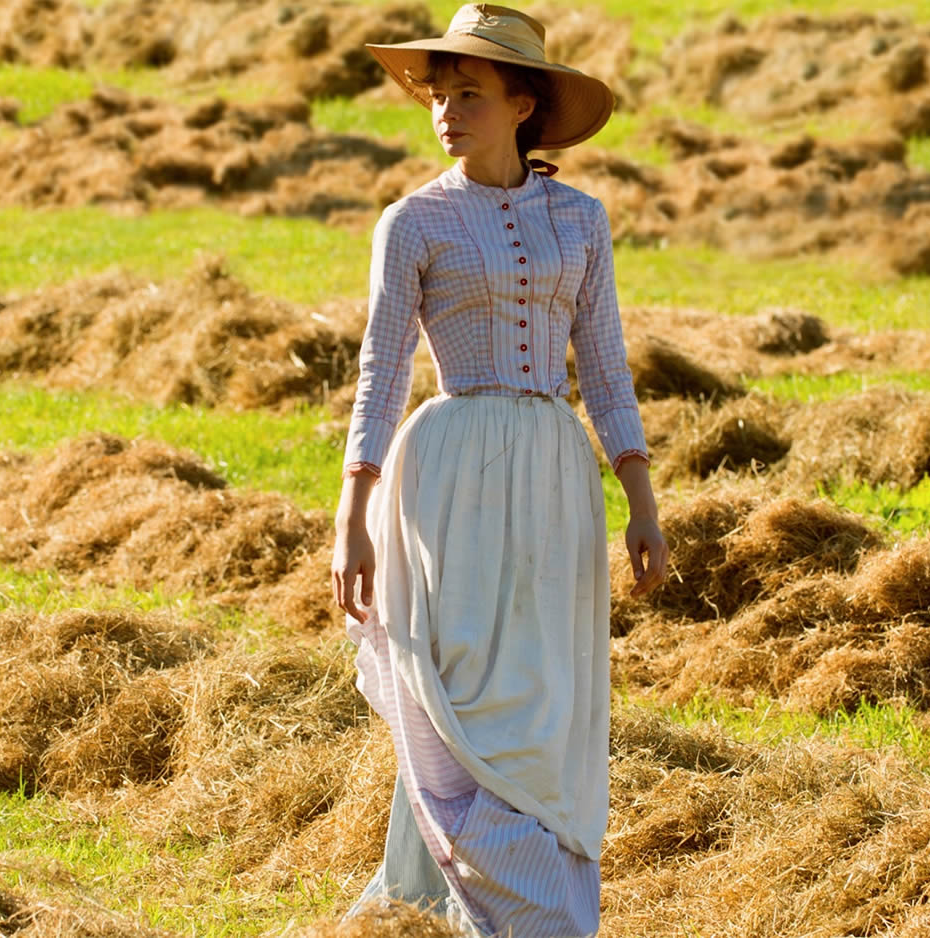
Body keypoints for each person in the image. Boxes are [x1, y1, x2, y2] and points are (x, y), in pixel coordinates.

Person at [330, 5, 668, 936]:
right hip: (446, 475)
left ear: (524, 104)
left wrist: (643, 504)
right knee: (465, 689)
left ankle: (538, 892)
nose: (446, 110)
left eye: (469, 93)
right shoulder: (413, 223)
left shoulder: (581, 219)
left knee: (543, 693)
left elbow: (603, 366)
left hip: (556, 476)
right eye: (439, 93)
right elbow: (382, 369)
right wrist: (351, 516)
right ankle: (501, 902)